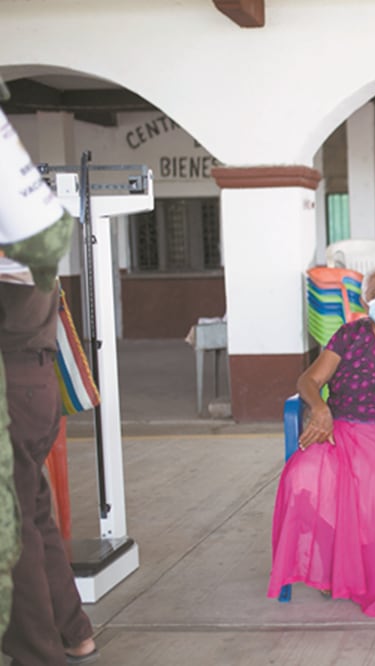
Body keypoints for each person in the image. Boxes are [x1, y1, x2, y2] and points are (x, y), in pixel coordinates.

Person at [266, 264, 375, 620]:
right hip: (342, 430)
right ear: (364, 302)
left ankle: (369, 570)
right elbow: (309, 380)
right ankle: (335, 566)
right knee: (302, 475)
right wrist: (320, 408)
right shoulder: (349, 334)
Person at [1, 89, 97, 664]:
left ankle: (38, 653)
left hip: (12, 383)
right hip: (33, 384)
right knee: (33, 514)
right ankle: (73, 630)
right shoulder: (24, 197)